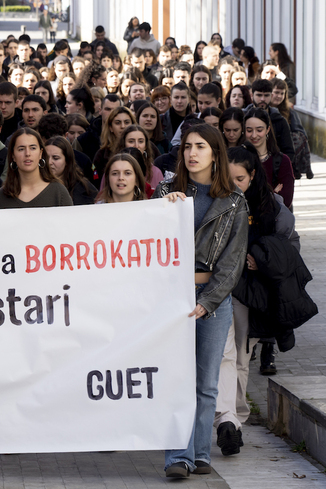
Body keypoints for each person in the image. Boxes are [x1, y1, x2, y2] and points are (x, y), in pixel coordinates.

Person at [155, 124, 248, 479]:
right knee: (175, 378)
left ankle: (201, 453)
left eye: (200, 147)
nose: (192, 153)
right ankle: (178, 457)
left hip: (213, 298)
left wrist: (208, 301)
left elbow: (233, 260)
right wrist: (162, 209)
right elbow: (147, 244)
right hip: (172, 297)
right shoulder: (167, 190)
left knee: (206, 382)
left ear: (215, 153)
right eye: (187, 147)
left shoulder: (234, 200)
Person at [214, 142, 301, 457]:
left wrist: (261, 259)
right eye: (228, 177)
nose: (233, 184)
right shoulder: (216, 201)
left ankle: (234, 419)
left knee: (240, 356)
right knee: (223, 355)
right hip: (217, 289)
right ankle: (228, 419)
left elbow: (290, 246)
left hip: (252, 292)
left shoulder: (272, 207)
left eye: (239, 178)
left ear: (252, 176)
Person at [0, 127, 73, 209]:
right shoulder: (0, 197)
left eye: (33, 148)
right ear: (13, 155)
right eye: (21, 149)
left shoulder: (58, 192)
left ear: (40, 153)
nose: (27, 153)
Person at [244, 109, 295, 209]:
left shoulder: (282, 161)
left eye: (259, 130)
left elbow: (285, 201)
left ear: (268, 129)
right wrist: (272, 194)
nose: (254, 135)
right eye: (249, 130)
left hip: (271, 222)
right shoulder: (237, 158)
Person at [45, 136, 97, 205]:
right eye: (46, 157)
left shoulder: (85, 188)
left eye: (55, 158)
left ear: (67, 160)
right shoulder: (32, 185)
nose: (49, 162)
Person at [91, 106, 136, 183]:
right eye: (118, 123)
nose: (123, 126)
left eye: (127, 122)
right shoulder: (101, 155)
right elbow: (95, 179)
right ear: (111, 127)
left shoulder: (145, 147)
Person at [115, 124, 164, 191]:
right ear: (123, 144)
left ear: (146, 146)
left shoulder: (155, 172)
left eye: (140, 141)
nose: (136, 145)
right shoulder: (112, 170)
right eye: (131, 141)